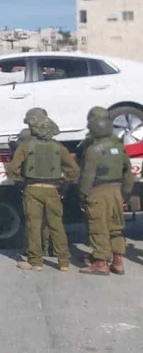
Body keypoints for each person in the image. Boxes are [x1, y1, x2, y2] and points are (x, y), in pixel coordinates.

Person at [6, 108, 79, 271]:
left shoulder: (26, 146)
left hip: (32, 189)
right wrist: (65, 182)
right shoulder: (59, 147)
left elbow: (12, 169)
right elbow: (74, 170)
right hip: (53, 190)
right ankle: (64, 262)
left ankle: (35, 261)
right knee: (57, 225)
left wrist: (20, 181)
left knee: (33, 226)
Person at [78, 107, 135, 275]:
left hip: (98, 191)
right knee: (116, 227)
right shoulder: (119, 146)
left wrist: (82, 194)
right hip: (117, 190)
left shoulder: (92, 149)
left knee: (98, 226)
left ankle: (100, 262)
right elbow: (128, 172)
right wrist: (125, 193)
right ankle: (118, 261)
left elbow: (87, 176)